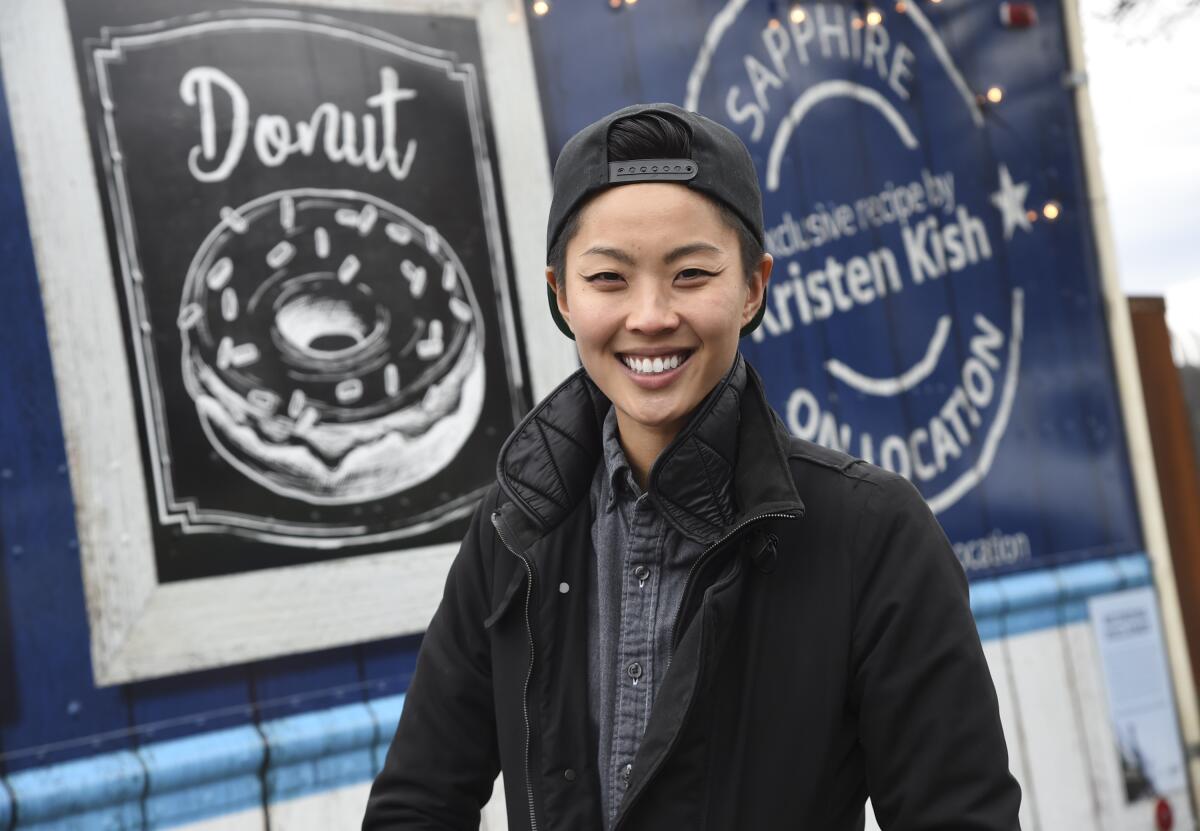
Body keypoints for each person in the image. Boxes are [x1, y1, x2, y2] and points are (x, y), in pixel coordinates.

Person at [363, 102, 1022, 831]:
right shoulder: (514, 526)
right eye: (609, 278)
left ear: (752, 288)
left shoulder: (872, 533)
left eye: (691, 273)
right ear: (562, 294)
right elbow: (416, 804)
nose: (649, 315)